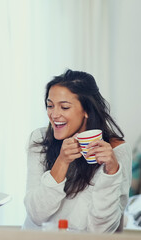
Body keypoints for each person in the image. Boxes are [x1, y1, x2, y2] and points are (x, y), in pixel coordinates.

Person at [23, 69, 132, 233]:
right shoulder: (40, 140)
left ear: (87, 110)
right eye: (50, 105)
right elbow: (36, 214)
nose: (54, 114)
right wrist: (61, 162)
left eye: (64, 107)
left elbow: (102, 230)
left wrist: (111, 173)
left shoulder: (116, 151)